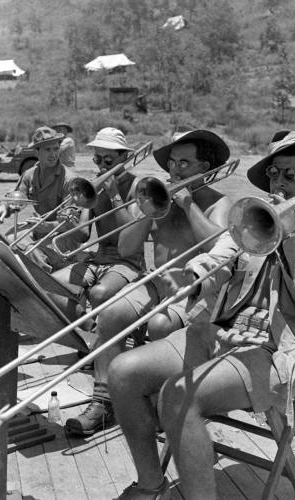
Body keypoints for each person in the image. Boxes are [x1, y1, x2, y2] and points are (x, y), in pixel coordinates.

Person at [108, 130, 295, 499]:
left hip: (273, 354)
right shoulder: (251, 220)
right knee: (122, 371)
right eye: (274, 174)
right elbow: (219, 258)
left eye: (291, 175)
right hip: (220, 336)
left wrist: (290, 239)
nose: (279, 184)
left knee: (179, 396)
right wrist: (194, 278)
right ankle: (150, 485)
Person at [65, 129, 236, 436]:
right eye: (172, 162)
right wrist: (146, 214)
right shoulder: (158, 196)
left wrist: (188, 205)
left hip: (195, 289)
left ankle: (161, 402)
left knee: (160, 326)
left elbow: (218, 249)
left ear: (205, 167)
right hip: (158, 281)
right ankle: (104, 401)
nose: (174, 170)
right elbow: (128, 249)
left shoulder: (218, 202)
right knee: (112, 312)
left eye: (184, 163)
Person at [50, 127, 144, 322]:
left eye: (108, 160)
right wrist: (69, 223)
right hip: (98, 259)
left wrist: (114, 195)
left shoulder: (138, 187)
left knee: (98, 293)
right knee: (52, 285)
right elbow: (83, 234)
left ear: (124, 157)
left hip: (127, 262)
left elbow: (131, 234)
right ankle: (90, 331)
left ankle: (103, 336)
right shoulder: (94, 186)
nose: (102, 165)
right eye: (97, 159)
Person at [0, 126, 81, 273]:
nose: (53, 154)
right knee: (7, 241)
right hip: (40, 230)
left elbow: (73, 223)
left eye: (55, 149)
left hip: (64, 235)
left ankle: (42, 289)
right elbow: (17, 198)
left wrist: (46, 226)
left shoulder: (70, 180)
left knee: (34, 253)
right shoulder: (30, 175)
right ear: (37, 152)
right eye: (47, 150)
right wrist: (3, 207)